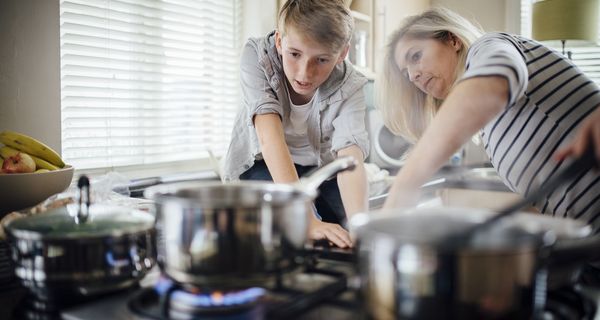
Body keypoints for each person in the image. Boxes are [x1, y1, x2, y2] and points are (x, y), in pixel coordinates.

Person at [378, 7, 600, 233]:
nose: (413, 75)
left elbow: (497, 76)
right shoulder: (490, 130)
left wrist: (405, 184)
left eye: (416, 56)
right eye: (406, 73)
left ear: (452, 40)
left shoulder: (488, 46)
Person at [223, 0, 369, 248]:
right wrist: (306, 218)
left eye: (322, 60)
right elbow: (270, 138)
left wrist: (360, 226)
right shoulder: (257, 57)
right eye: (295, 54)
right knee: (287, 229)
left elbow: (350, 157)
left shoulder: (350, 84)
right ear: (280, 41)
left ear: (342, 54)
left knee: (346, 230)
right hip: (264, 165)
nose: (304, 73)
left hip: (319, 169)